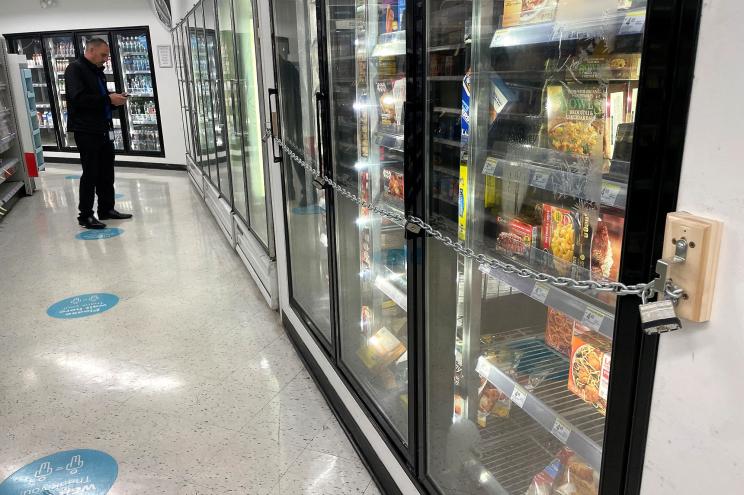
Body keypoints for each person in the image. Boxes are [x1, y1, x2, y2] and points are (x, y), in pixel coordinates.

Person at [65, 38, 132, 229]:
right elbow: (78, 99)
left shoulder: (96, 71)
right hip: (86, 130)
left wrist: (114, 100)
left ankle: (106, 209)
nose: (105, 59)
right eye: (103, 55)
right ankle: (85, 215)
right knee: (91, 173)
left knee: (106, 171)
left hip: (103, 128)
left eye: (107, 55)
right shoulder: (75, 69)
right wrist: (107, 99)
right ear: (91, 50)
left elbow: (100, 98)